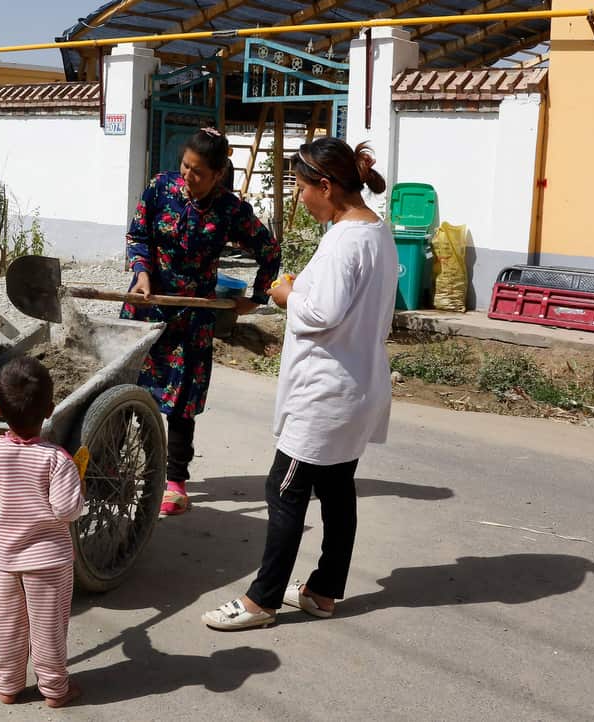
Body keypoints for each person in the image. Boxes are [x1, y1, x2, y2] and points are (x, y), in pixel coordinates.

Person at [201, 137, 398, 631]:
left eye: (301, 188)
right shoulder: (375, 231)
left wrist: (288, 293)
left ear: (327, 187)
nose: (299, 198)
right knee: (336, 488)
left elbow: (322, 312)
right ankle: (324, 591)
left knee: (283, 489)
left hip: (326, 393)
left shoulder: (345, 242)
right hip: (356, 385)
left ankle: (261, 601)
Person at [122, 127, 281, 516]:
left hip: (194, 314)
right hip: (146, 306)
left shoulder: (230, 210)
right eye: (185, 166)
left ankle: (173, 480)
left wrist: (255, 299)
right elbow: (138, 236)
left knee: (181, 399)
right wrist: (142, 273)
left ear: (218, 175)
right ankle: (119, 463)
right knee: (130, 386)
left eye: (198, 172)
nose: (188, 177)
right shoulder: (160, 188)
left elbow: (269, 250)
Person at [0, 356, 84, 708]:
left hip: (6, 558)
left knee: (6, 623)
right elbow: (67, 510)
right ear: (50, 410)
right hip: (49, 563)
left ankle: (7, 684)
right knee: (48, 628)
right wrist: (78, 485)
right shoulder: (57, 460)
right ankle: (55, 689)